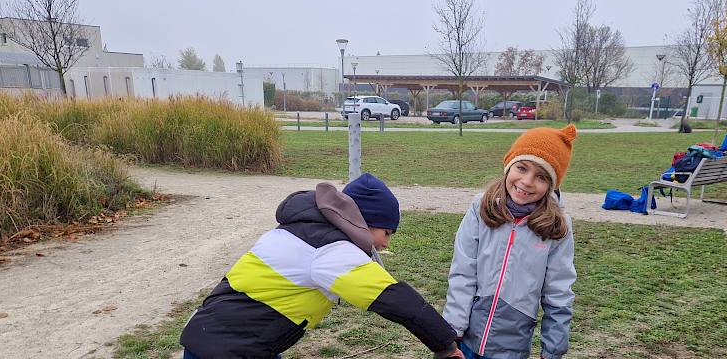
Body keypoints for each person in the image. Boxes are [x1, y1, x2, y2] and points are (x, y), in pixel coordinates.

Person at [180, 173, 463, 359]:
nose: (386, 243)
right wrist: (446, 346)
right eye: (387, 232)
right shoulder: (331, 250)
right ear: (363, 221)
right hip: (226, 348)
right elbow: (396, 300)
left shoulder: (303, 229)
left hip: (228, 338)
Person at [443, 126, 578, 359]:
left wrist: (553, 349)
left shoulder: (558, 227)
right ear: (509, 165)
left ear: (552, 185)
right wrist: (451, 333)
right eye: (522, 168)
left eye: (541, 176)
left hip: (512, 348)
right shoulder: (480, 208)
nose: (526, 182)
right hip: (466, 341)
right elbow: (463, 272)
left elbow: (558, 291)